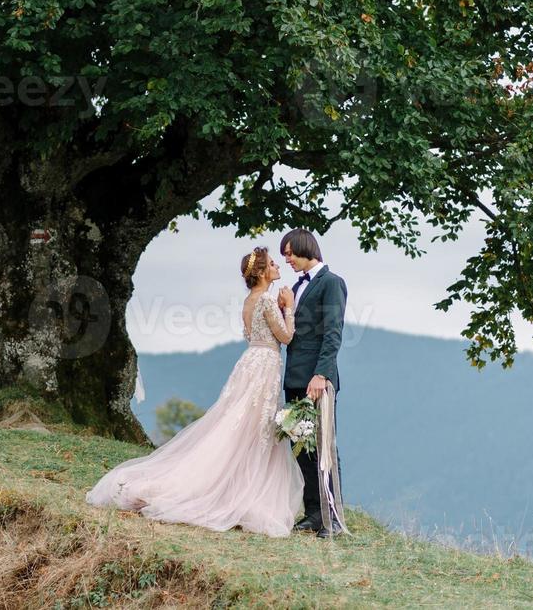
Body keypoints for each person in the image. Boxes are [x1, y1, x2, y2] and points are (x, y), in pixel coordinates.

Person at [84, 247, 306, 536]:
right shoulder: (266, 299)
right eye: (274, 264)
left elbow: (254, 335)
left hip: (251, 362)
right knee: (253, 429)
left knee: (240, 426)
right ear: (263, 273)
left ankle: (236, 486)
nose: (279, 267)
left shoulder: (250, 300)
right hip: (264, 366)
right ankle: (235, 491)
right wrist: (288, 306)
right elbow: (286, 337)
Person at [280, 227, 348, 537]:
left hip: (317, 380)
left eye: (291, 252)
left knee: (323, 447)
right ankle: (313, 513)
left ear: (307, 248)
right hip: (294, 376)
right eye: (284, 255)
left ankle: (332, 517)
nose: (288, 259)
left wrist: (321, 374)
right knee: (301, 447)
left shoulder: (332, 283)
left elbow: (333, 333)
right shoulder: (296, 286)